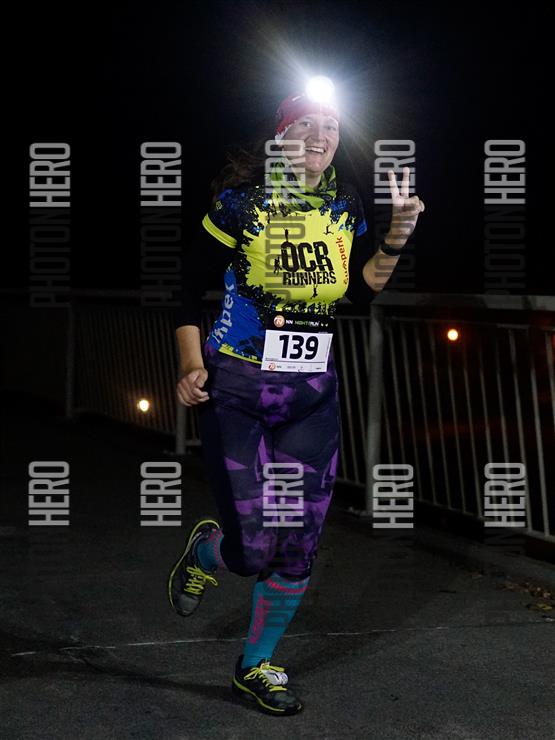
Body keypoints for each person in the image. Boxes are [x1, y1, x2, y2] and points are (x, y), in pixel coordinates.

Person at [167, 87, 425, 716]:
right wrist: (190, 364)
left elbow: (357, 292)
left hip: (311, 395)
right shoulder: (241, 204)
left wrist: (396, 236)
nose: (319, 135)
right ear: (278, 137)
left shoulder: (344, 202)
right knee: (252, 548)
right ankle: (208, 551)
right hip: (237, 389)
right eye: (305, 123)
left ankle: (256, 665)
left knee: (299, 542)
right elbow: (186, 288)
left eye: (331, 126)